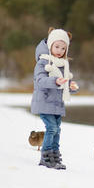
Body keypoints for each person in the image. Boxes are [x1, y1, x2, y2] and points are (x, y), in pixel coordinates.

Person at [31, 27, 79, 169]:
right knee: (51, 128)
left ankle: (55, 156)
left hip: (57, 104)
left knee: (57, 130)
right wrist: (55, 81)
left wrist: (70, 86)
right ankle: (46, 156)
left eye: (63, 48)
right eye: (57, 47)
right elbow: (40, 80)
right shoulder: (43, 62)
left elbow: (63, 83)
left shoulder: (63, 65)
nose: (59, 51)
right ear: (50, 45)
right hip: (45, 101)